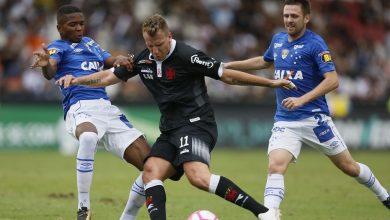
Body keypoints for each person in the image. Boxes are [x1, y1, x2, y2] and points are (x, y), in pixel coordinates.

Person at [56, 14, 296, 220]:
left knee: (198, 177)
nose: (155, 51)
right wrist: (78, 80)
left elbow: (228, 76)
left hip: (197, 124)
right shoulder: (143, 59)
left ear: (169, 36)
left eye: (159, 44)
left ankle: (264, 213)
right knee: (150, 172)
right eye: (150, 45)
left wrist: (271, 83)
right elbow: (108, 77)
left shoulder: (188, 56)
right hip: (170, 129)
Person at [224, 0, 390, 219]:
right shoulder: (278, 39)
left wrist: (302, 99)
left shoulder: (316, 44)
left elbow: (333, 80)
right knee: (275, 166)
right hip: (286, 120)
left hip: (315, 120)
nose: (289, 20)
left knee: (349, 167)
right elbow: (264, 62)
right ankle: (270, 214)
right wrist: (229, 65)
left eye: (294, 16)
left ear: (306, 18)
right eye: (286, 16)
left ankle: (385, 196)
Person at [31, 5, 149, 220]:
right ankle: (83, 209)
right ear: (59, 27)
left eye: (81, 24)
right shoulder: (58, 47)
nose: (79, 28)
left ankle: (127, 217)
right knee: (88, 136)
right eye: (72, 24)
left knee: (152, 166)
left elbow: (109, 61)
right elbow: (51, 70)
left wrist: (120, 59)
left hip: (106, 108)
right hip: (79, 106)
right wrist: (46, 63)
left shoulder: (90, 43)